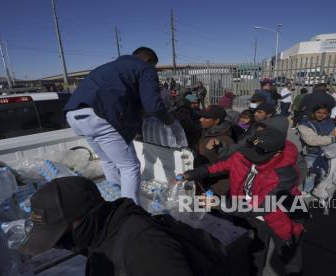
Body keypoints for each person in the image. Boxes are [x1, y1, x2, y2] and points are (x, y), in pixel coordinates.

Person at [182, 128, 305, 276]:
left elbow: (262, 205)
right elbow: (219, 167)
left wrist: (220, 204)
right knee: (255, 253)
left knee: (289, 258)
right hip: (251, 215)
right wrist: (192, 174)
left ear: (276, 153)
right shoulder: (247, 154)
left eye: (257, 153)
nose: (249, 157)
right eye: (250, 149)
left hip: (281, 218)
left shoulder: (285, 175)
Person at [18, 176, 195, 276]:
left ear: (87, 217)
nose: (58, 244)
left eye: (59, 235)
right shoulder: (101, 236)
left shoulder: (145, 247)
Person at [64, 47, 173, 203]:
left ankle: (114, 197)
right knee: (130, 167)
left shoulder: (108, 67)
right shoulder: (144, 68)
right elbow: (153, 105)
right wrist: (168, 119)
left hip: (74, 116)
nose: (153, 69)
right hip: (100, 117)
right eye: (153, 66)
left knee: (108, 161)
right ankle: (131, 211)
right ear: (148, 60)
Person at [194, 105, 234, 195]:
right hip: (199, 184)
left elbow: (231, 172)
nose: (201, 119)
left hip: (211, 191)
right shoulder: (205, 133)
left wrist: (214, 191)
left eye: (206, 117)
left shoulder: (225, 141)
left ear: (217, 121)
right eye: (201, 116)